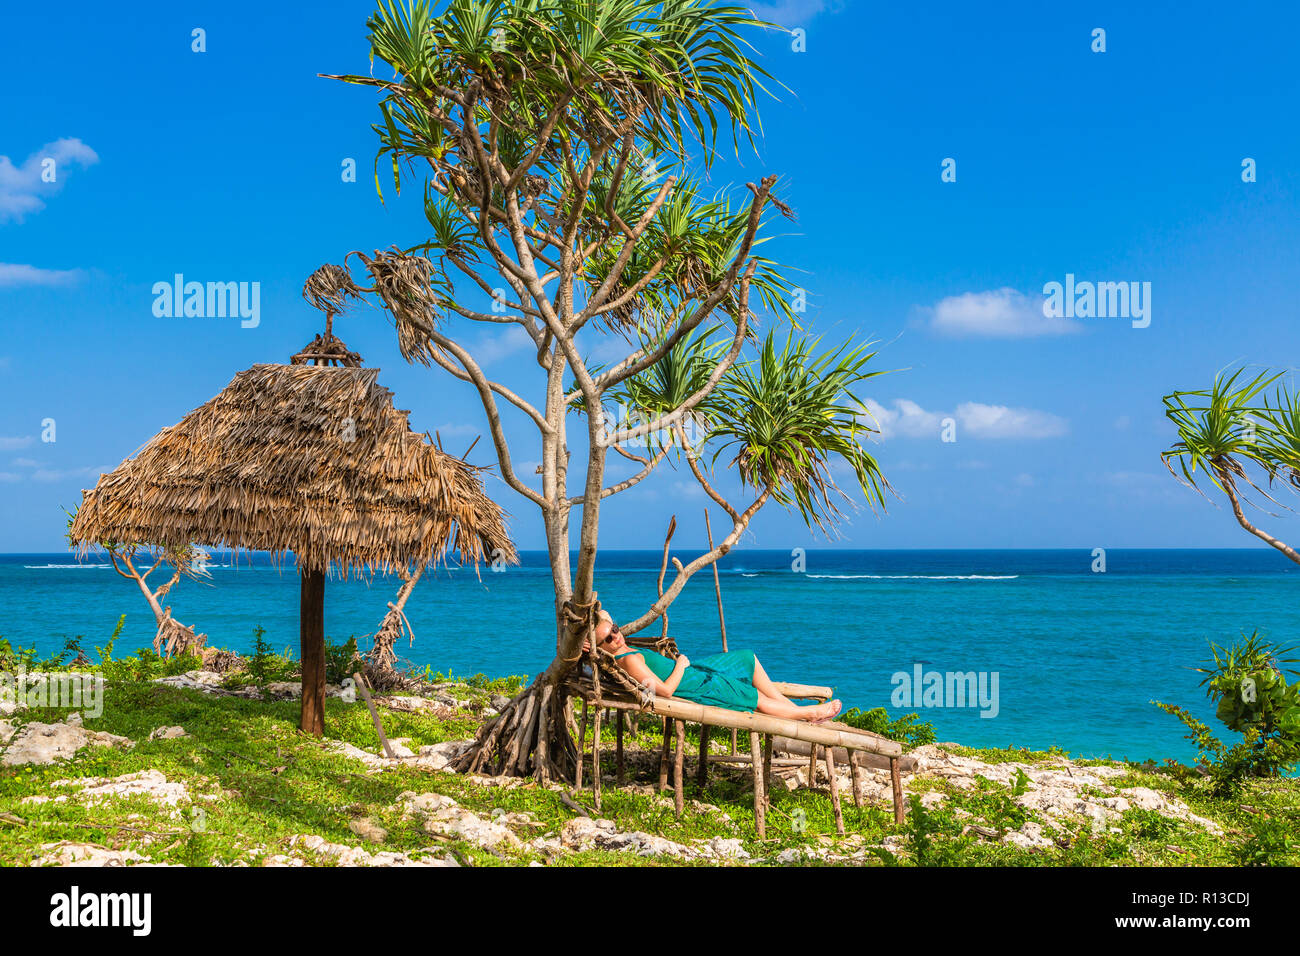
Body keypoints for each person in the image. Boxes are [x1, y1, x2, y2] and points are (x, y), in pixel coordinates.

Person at [589, 611, 842, 722]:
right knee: (752, 697)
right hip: (692, 683)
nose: (616, 636)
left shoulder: (622, 650)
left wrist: (593, 638)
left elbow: (605, 616)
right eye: (608, 639)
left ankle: (792, 709)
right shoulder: (629, 660)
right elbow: (663, 692)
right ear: (602, 647)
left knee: (746, 659)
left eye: (614, 629)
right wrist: (680, 664)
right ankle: (808, 714)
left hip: (693, 672)